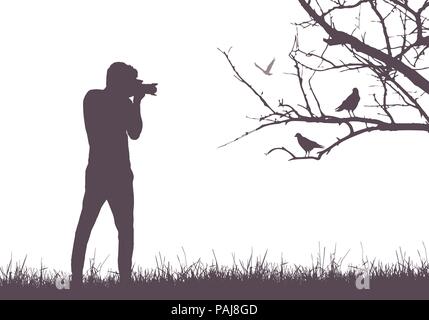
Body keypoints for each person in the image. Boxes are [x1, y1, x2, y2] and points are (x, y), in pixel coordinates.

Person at [71, 62, 155, 288]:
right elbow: (133, 131)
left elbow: (134, 133)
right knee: (88, 227)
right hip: (106, 173)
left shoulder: (119, 102)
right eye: (129, 82)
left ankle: (123, 282)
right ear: (118, 82)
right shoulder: (95, 98)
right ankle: (77, 281)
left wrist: (136, 101)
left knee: (123, 230)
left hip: (114, 174)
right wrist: (132, 99)